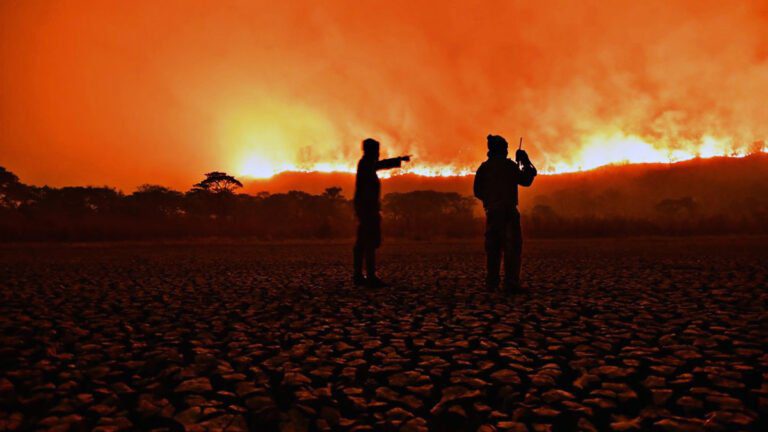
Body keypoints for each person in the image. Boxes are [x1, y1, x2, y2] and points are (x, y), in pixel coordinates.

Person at [473, 135, 537, 293]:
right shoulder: (509, 166)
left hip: (492, 212)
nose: (508, 151)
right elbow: (527, 180)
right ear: (501, 149)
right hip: (508, 212)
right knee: (513, 247)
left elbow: (477, 191)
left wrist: (490, 201)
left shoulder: (484, 167)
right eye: (506, 148)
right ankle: (511, 283)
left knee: (493, 248)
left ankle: (492, 283)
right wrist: (526, 161)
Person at [353, 138, 410, 287]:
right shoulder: (366, 164)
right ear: (370, 151)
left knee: (363, 243)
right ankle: (369, 276)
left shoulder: (366, 164)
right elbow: (379, 165)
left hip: (365, 209)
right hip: (367, 209)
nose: (378, 154)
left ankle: (359, 275)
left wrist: (398, 160)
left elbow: (379, 165)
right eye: (376, 151)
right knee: (369, 242)